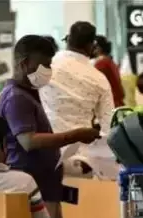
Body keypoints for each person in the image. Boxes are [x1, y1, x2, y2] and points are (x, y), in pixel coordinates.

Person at [0, 34, 99, 218]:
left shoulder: (28, 94)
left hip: (46, 186)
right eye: (44, 65)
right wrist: (75, 135)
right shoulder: (16, 98)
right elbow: (28, 141)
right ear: (24, 63)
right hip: (33, 188)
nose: (48, 71)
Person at [40, 22, 116, 179]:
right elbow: (109, 125)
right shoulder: (98, 79)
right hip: (81, 160)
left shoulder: (44, 68)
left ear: (68, 39)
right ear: (92, 45)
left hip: (45, 153)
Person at [93, 35, 125, 108]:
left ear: (98, 48)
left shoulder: (101, 64)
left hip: (109, 103)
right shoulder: (110, 62)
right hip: (116, 102)